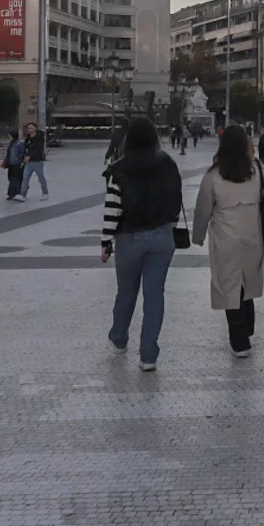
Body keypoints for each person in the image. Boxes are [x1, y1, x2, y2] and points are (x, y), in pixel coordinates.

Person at [100, 117, 184, 370]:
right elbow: (176, 201)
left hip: (129, 238)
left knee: (126, 291)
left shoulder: (118, 168)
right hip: (161, 236)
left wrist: (106, 242)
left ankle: (119, 337)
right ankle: (148, 355)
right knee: (154, 296)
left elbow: (113, 208)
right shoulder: (168, 164)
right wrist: (170, 226)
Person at [193, 124, 264, 358]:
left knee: (231, 287)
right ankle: (247, 329)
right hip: (252, 237)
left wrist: (198, 235)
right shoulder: (258, 169)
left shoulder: (213, 175)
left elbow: (202, 209)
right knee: (247, 283)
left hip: (225, 241)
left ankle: (240, 341)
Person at [20, 121, 49, 200]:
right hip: (28, 163)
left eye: (31, 128)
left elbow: (38, 149)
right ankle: (23, 194)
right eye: (28, 128)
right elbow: (25, 149)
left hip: (37, 161)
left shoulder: (39, 138)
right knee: (25, 178)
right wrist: (25, 157)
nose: (29, 129)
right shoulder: (28, 138)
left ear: (35, 128)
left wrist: (30, 156)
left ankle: (45, 193)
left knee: (41, 178)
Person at [3, 128, 25, 200]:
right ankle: (16, 192)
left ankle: (12, 193)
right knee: (11, 178)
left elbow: (22, 153)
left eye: (9, 135)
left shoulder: (20, 143)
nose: (9, 137)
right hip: (11, 163)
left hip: (17, 163)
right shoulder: (11, 143)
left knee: (14, 179)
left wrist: (19, 159)